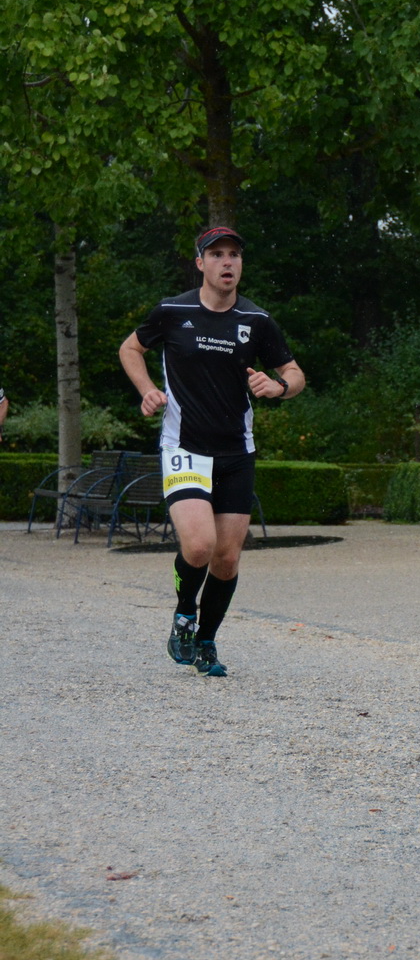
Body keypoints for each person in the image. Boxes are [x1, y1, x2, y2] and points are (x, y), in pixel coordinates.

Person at [119, 227, 304, 677]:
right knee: (200, 545)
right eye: (217, 254)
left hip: (236, 453)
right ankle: (184, 614)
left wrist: (277, 387)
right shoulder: (172, 311)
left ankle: (207, 641)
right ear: (200, 263)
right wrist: (147, 391)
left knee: (227, 557)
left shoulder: (257, 321)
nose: (227, 262)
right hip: (185, 446)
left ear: (241, 265)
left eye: (235, 255)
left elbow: (295, 374)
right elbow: (130, 348)